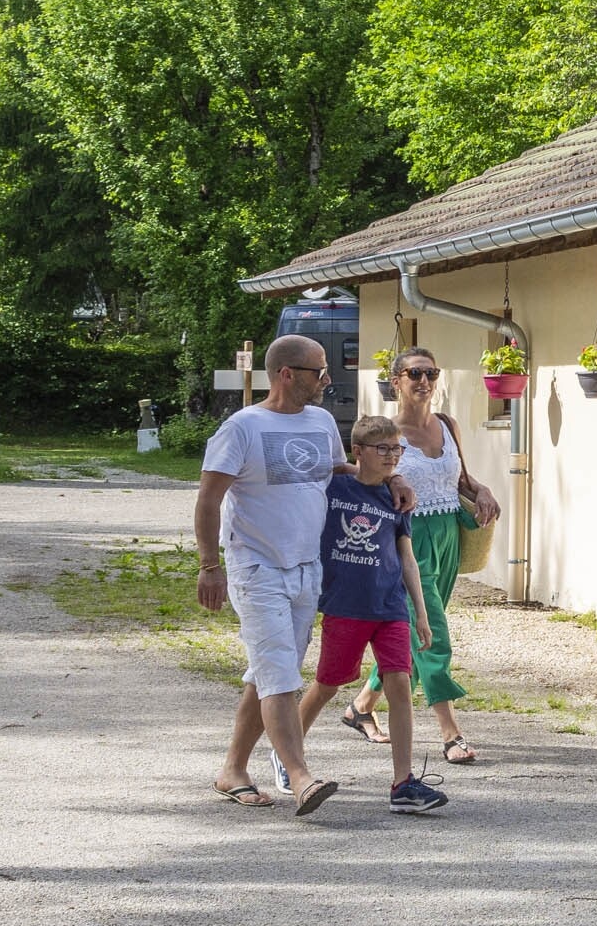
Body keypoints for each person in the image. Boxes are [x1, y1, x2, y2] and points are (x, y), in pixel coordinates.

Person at [195, 333, 348, 814]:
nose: (327, 379)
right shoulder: (242, 428)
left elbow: (334, 470)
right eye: (318, 371)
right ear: (286, 374)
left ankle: (232, 770)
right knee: (280, 672)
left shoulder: (322, 421)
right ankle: (300, 777)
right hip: (256, 566)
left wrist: (393, 477)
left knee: (269, 670)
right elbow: (208, 499)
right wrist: (209, 566)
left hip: (307, 567)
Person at [339, 346, 500, 764]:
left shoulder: (447, 425)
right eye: (414, 374)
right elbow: (363, 478)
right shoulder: (385, 432)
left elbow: (459, 478)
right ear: (396, 382)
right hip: (405, 541)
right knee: (433, 632)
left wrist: (479, 489)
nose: (424, 381)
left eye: (431, 372)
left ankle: (361, 707)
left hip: (447, 535)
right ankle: (450, 732)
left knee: (415, 629)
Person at [294, 417, 450, 814]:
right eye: (383, 449)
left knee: (399, 682)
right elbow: (316, 472)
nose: (392, 457)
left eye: (397, 450)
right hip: (346, 605)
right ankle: (287, 751)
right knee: (328, 683)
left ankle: (403, 783)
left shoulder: (397, 499)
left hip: (391, 606)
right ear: (358, 451)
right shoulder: (335, 488)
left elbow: (407, 557)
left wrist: (421, 614)